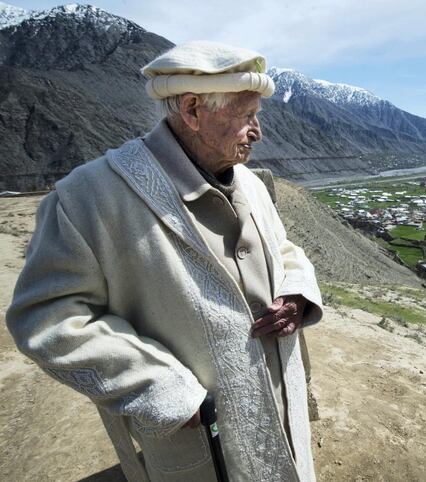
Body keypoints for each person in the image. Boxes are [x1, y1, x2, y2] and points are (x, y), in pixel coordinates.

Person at [5, 41, 323, 482]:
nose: (258, 131)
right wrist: (158, 386)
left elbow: (283, 248)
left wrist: (296, 291)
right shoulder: (89, 198)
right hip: (200, 440)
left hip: (280, 409)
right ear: (193, 110)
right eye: (248, 116)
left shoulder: (250, 182)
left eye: (258, 116)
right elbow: (46, 316)